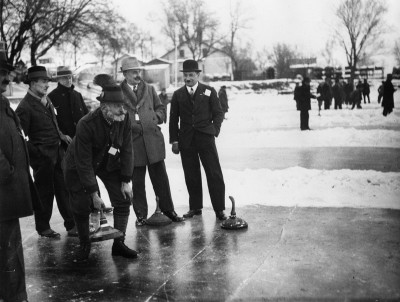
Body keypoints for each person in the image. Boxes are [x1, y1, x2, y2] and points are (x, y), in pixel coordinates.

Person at [63, 84, 138, 262]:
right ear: (104, 107)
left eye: (124, 105)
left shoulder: (123, 118)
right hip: (78, 165)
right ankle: (84, 245)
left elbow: (127, 148)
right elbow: (84, 163)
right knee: (82, 205)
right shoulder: (86, 124)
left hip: (108, 161)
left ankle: (119, 244)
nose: (123, 109)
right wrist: (93, 194)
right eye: (118, 106)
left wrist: (126, 180)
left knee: (123, 198)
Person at [119, 56, 183, 225]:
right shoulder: (118, 93)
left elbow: (161, 108)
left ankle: (169, 211)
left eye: (138, 71)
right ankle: (141, 215)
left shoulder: (149, 89)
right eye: (133, 72)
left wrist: (156, 117)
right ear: (125, 74)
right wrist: (130, 125)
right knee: (138, 183)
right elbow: (116, 116)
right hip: (133, 144)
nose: (137, 75)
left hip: (153, 141)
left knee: (161, 179)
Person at [15, 66, 76, 238]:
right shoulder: (25, 107)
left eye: (47, 81)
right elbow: (20, 137)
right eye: (43, 81)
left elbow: (52, 123)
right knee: (44, 193)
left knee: (63, 190)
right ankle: (43, 228)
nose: (46, 85)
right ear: (33, 83)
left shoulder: (46, 100)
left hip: (58, 154)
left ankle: (71, 225)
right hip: (43, 159)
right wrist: (38, 154)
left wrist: (61, 135)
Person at [0, 47, 41, 302]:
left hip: (9, 194)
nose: (6, 79)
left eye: (5, 73)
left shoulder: (4, 104)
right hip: (3, 192)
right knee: (9, 252)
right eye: (1, 74)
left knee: (9, 250)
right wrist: (7, 172)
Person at [169, 59, 227, 221]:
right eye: (186, 75)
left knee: (214, 173)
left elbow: (218, 113)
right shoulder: (178, 94)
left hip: (206, 138)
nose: (188, 78)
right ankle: (195, 207)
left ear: (197, 75)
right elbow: (173, 119)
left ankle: (219, 209)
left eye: (191, 75)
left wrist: (214, 130)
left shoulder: (208, 91)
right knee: (191, 174)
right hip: (186, 140)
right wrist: (174, 140)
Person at [48, 66, 89, 140]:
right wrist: (61, 136)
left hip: (81, 137)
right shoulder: (52, 97)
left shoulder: (77, 95)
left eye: (70, 77)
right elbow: (50, 122)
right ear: (58, 79)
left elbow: (87, 115)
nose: (68, 80)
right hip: (64, 141)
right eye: (64, 78)